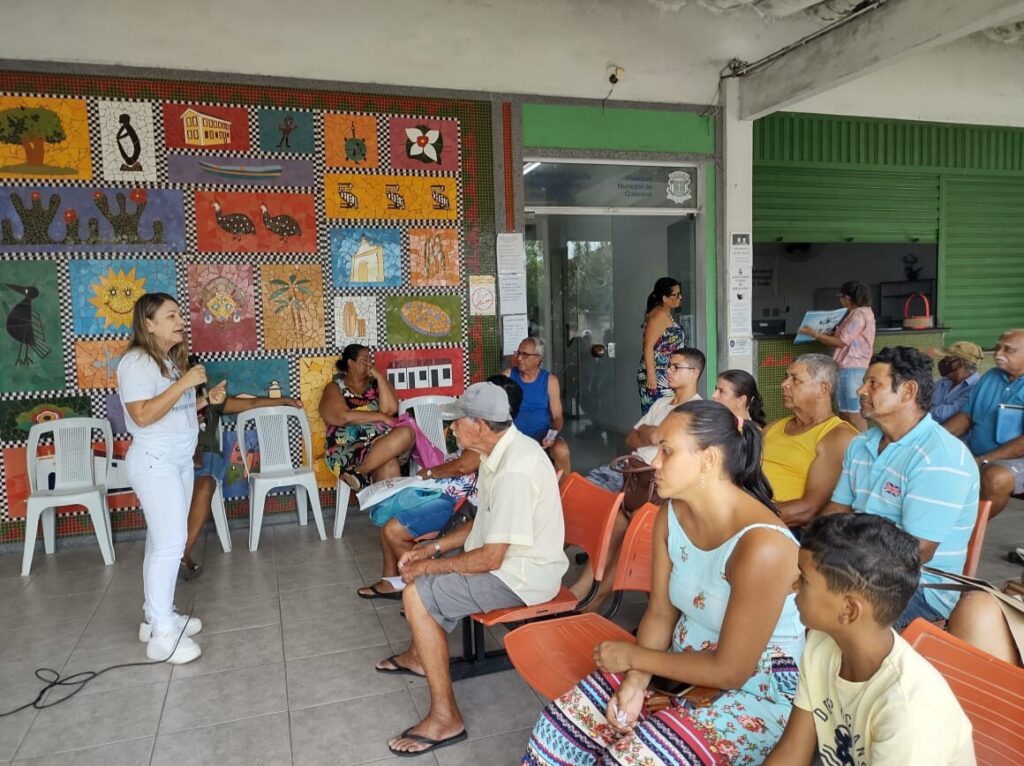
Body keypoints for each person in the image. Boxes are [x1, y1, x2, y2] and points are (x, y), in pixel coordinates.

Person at [524, 400, 804, 765]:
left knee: (627, 759)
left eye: (667, 452)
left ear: (708, 459)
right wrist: (636, 681)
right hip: (676, 666)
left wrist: (634, 657)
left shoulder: (762, 546)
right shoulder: (670, 515)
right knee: (556, 732)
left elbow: (731, 670)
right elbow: (658, 613)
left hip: (754, 693)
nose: (654, 463)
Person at [378, 382, 567, 757]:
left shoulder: (515, 467)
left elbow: (491, 558)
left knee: (416, 592)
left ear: (479, 426)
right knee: (424, 575)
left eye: (456, 422)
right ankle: (420, 656)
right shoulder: (497, 454)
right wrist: (430, 550)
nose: (450, 429)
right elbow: (480, 526)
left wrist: (430, 570)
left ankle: (445, 717)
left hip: (522, 579)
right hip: (508, 565)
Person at [765, 514, 975, 765]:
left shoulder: (907, 713)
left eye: (805, 580)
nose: (794, 585)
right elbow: (791, 752)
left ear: (849, 610)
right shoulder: (823, 642)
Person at [824, 346, 979, 629]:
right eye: (864, 382)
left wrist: (840, 563)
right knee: (787, 590)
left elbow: (917, 551)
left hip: (920, 587)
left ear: (908, 391)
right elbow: (837, 510)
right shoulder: (861, 444)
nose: (861, 390)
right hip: (860, 566)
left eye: (873, 383)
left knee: (826, 616)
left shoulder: (938, 456)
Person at [356, 375, 523, 601]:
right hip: (453, 498)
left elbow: (464, 467)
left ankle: (416, 590)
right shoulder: (490, 441)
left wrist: (431, 473)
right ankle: (394, 580)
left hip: (457, 503)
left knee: (393, 529)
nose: (453, 425)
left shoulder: (499, 449)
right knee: (390, 519)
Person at [118, 293, 217, 664]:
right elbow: (142, 415)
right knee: (171, 543)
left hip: (176, 461)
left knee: (161, 541)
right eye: (171, 315)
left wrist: (203, 400)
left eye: (179, 314)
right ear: (149, 323)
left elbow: (171, 408)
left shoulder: (166, 363)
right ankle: (161, 634)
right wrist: (186, 382)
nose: (180, 321)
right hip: (155, 462)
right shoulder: (136, 363)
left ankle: (156, 614)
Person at [576, 348, 704, 612]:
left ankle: (593, 598)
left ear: (694, 373)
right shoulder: (661, 403)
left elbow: (664, 445)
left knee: (625, 525)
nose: (667, 370)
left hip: (655, 483)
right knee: (600, 513)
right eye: (668, 365)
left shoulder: (695, 411)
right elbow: (632, 438)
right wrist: (650, 433)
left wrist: (650, 434)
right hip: (633, 474)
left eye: (675, 367)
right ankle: (583, 590)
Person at [180, 391, 303, 580]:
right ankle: (171, 556)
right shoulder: (168, 400)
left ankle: (182, 553)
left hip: (204, 457)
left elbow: (252, 403)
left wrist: (285, 400)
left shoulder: (211, 400)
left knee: (204, 485)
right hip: (173, 458)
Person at [762, 355, 857, 529]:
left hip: (786, 528)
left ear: (823, 389)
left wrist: (744, 518)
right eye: (786, 377)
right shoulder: (772, 428)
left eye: (795, 380)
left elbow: (808, 510)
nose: (784, 385)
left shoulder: (838, 437)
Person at [944, 330, 1024, 528]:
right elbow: (966, 417)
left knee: (994, 477)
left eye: (1009, 350)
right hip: (978, 452)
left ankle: (967, 531)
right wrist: (935, 438)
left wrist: (982, 460)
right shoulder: (990, 378)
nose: (998, 353)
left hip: (1015, 459)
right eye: (998, 347)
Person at [319, 344, 413, 491]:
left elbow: (391, 409)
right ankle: (358, 472)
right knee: (391, 461)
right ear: (351, 364)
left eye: (370, 359)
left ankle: (358, 472)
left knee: (405, 436)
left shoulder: (375, 385)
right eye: (364, 360)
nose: (369, 363)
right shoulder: (335, 388)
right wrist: (380, 416)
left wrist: (380, 377)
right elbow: (342, 417)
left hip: (378, 445)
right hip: (347, 449)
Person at [799, 280, 875, 432]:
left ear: (847, 298)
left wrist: (814, 334)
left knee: (853, 413)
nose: (840, 300)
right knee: (845, 413)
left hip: (851, 368)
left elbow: (841, 342)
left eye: (841, 297)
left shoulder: (858, 315)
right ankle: (849, 447)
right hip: (848, 368)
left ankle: (865, 449)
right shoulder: (861, 313)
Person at [505, 337, 571, 476]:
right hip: (513, 437)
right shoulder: (508, 376)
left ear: (538, 358)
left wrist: (551, 435)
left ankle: (564, 493)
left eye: (525, 355)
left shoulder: (550, 381)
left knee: (562, 450)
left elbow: (557, 417)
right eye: (518, 353)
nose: (519, 358)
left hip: (542, 437)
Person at [637, 277, 685, 415]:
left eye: (679, 293)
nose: (679, 297)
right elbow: (647, 346)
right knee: (657, 415)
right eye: (675, 295)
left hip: (664, 372)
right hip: (657, 374)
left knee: (665, 414)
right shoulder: (659, 316)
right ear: (664, 298)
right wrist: (652, 377)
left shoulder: (664, 313)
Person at [931, 341, 983, 425]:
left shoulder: (976, 388)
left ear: (960, 363)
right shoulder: (943, 382)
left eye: (947, 359)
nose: (943, 362)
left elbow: (943, 414)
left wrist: (920, 412)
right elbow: (922, 401)